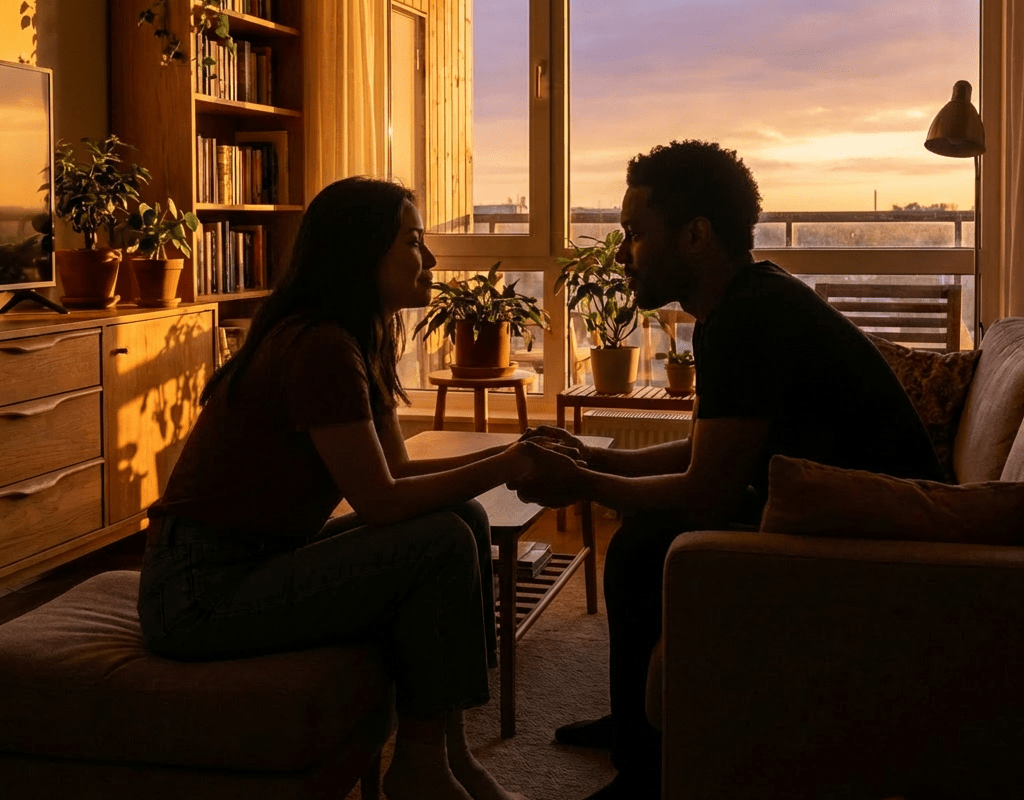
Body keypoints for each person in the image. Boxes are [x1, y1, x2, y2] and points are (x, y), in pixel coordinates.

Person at [513, 139, 943, 800]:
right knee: (640, 549)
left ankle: (646, 772)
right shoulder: (737, 307)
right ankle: (637, 731)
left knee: (644, 545)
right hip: (831, 512)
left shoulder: (750, 321)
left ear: (695, 235)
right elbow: (706, 451)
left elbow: (705, 494)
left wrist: (581, 483)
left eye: (634, 234)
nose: (624, 253)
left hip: (870, 546)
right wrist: (594, 456)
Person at [138, 176, 558, 800]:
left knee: (463, 520)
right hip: (199, 593)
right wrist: (509, 466)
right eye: (414, 243)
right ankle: (418, 770)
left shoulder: (352, 339)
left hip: (247, 564)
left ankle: (448, 756)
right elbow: (382, 502)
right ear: (361, 253)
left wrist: (513, 453)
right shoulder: (319, 346)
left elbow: (396, 474)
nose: (432, 260)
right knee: (442, 540)